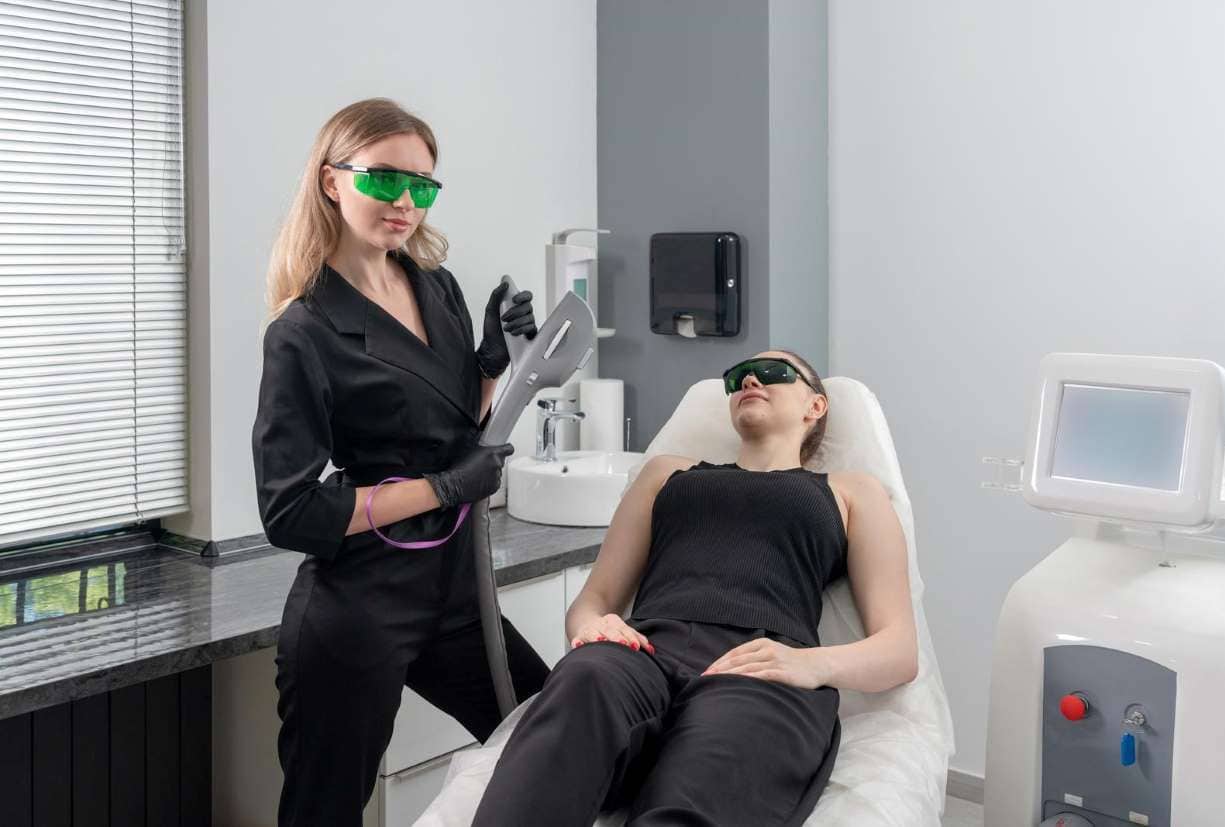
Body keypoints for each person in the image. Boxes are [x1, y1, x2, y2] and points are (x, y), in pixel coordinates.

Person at [251, 98, 549, 827]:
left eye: (422, 185)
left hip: (452, 594)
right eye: (386, 180)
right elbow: (290, 509)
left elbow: (453, 430)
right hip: (359, 606)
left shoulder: (434, 286)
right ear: (331, 180)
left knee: (552, 730)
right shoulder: (304, 329)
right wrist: (445, 487)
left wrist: (491, 363)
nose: (406, 202)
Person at [472, 351, 919, 826]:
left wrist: (809, 663)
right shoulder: (668, 474)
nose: (749, 378)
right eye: (737, 376)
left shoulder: (850, 491)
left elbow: (899, 650)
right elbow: (593, 602)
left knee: (708, 771)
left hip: (758, 670)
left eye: (774, 373)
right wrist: (595, 626)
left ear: (815, 407)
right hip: (641, 653)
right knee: (583, 679)